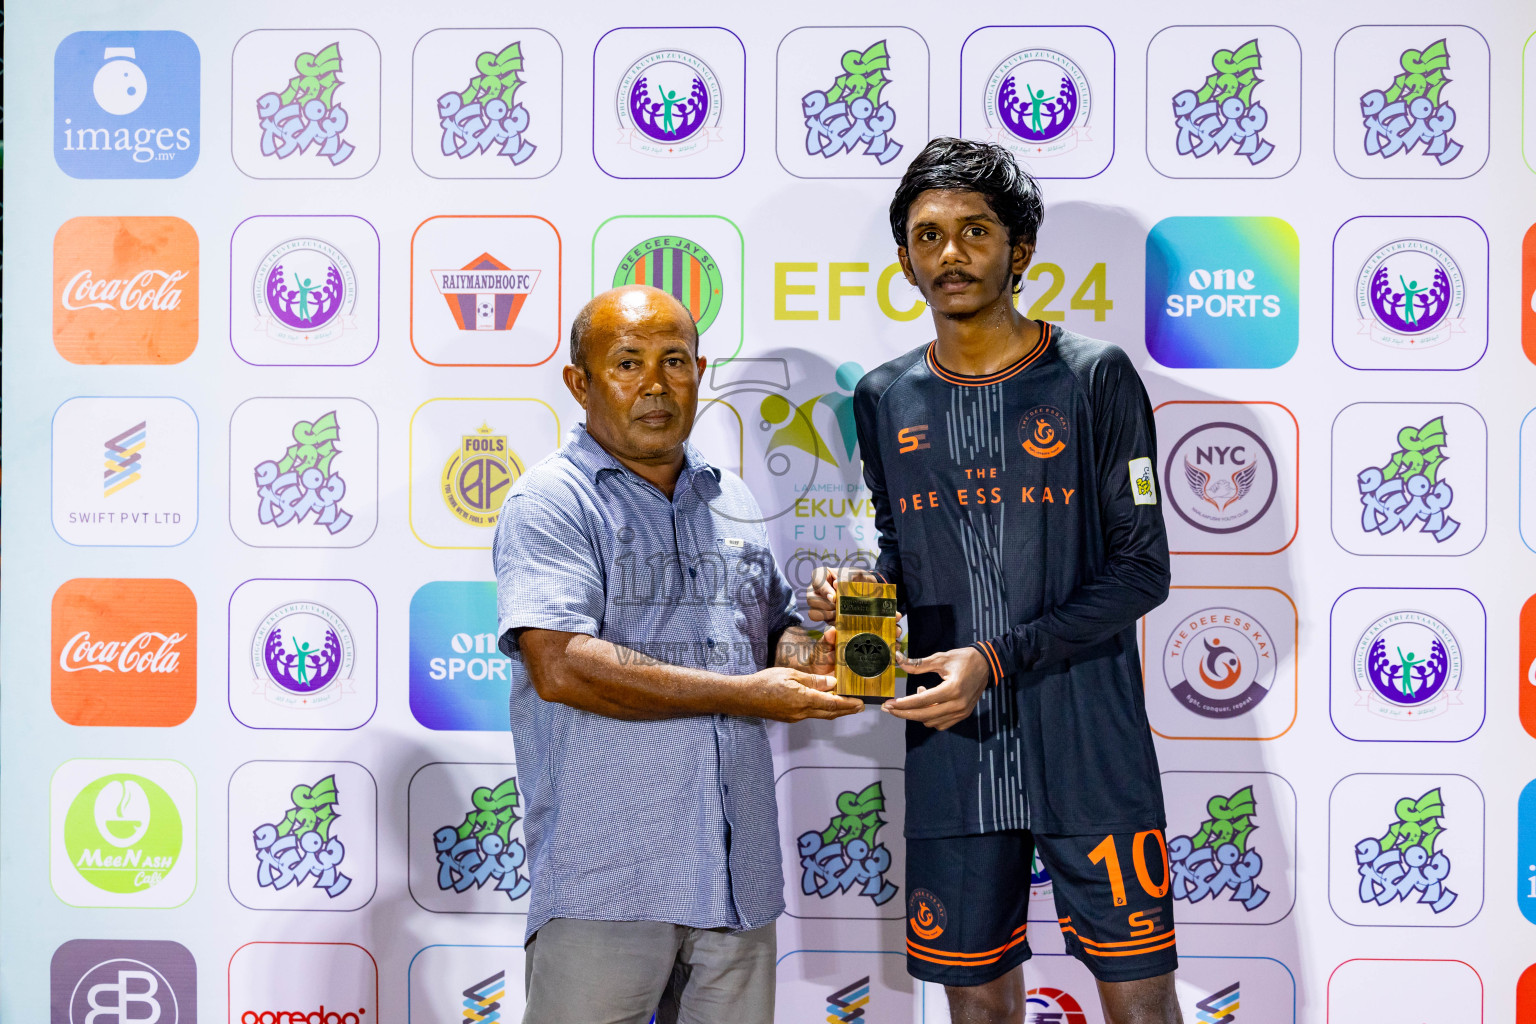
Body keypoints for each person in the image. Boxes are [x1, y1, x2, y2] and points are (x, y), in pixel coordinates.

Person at [809, 138, 1181, 1024]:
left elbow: (1142, 570)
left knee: (1143, 1004)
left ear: (1020, 249)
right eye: (928, 236)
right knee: (975, 1007)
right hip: (957, 752)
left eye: (975, 231)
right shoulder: (886, 396)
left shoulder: (1094, 376)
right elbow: (904, 553)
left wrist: (996, 658)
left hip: (1090, 742)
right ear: (904, 260)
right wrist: (860, 601)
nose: (951, 254)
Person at [492, 284, 863, 1024]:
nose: (655, 386)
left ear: (701, 370)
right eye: (627, 363)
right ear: (580, 383)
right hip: (609, 887)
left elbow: (768, 644)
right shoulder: (552, 502)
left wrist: (828, 636)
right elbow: (562, 665)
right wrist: (744, 693)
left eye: (675, 362)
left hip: (734, 887)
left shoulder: (733, 500)